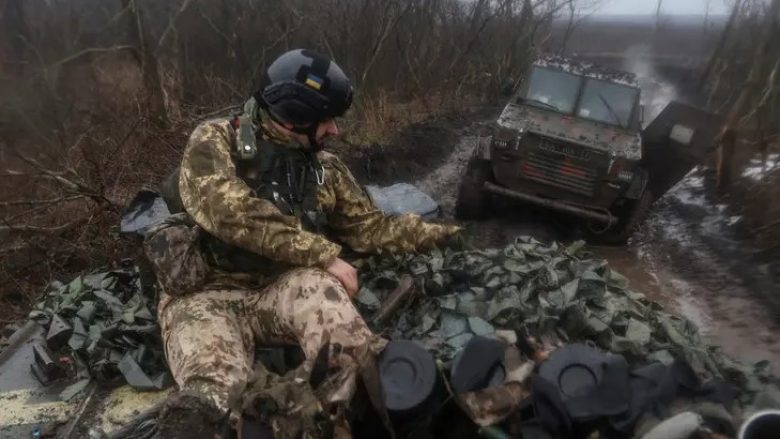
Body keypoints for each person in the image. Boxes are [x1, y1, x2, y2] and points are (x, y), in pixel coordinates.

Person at [144, 49, 460, 437]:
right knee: (214, 401)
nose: (334, 131)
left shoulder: (325, 168)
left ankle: (360, 408)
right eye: (325, 119)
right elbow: (230, 211)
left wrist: (439, 235)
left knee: (336, 324)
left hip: (281, 288)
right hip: (207, 293)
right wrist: (322, 253)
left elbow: (368, 228)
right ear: (294, 114)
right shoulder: (215, 140)